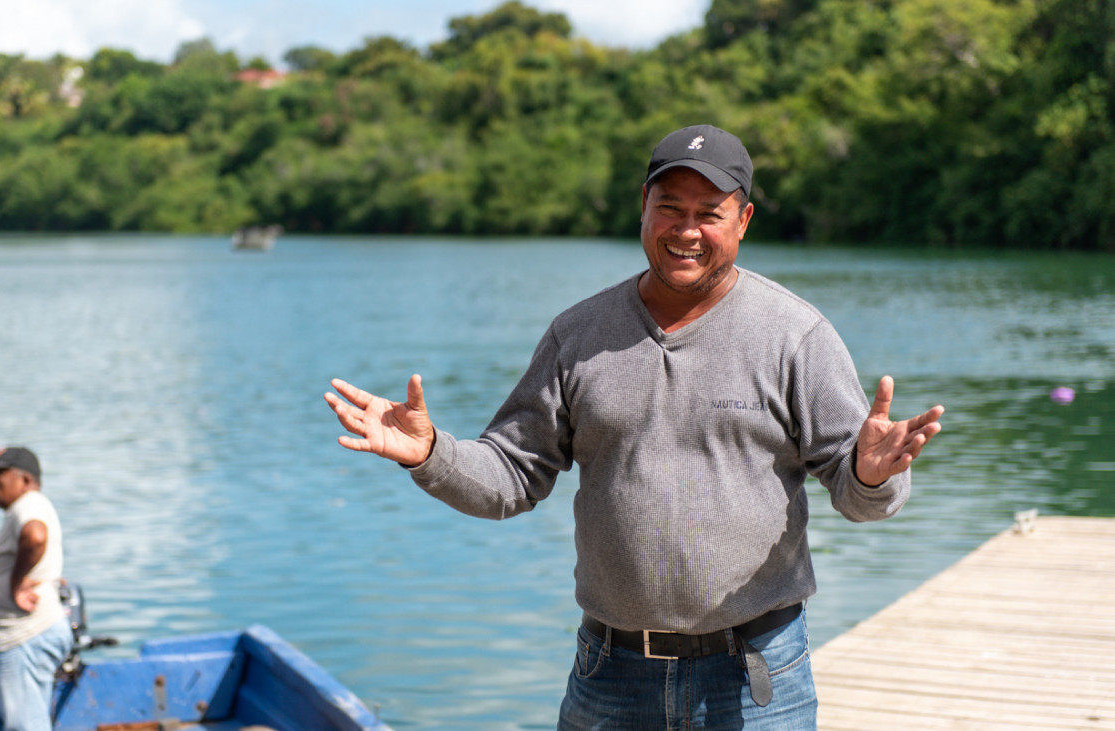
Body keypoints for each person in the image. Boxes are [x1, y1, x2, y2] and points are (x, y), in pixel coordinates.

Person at [325, 124, 946, 729]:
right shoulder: (578, 333)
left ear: (744, 222)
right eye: (669, 207)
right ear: (642, 208)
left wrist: (869, 474)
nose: (687, 230)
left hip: (758, 678)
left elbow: (861, 499)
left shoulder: (796, 335)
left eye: (709, 212)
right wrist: (431, 453)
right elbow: (513, 475)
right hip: (610, 674)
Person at [0, 446, 72, 731]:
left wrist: (15, 584)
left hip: (24, 638)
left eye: (0, 474)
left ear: (26, 480)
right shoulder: (24, 508)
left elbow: (36, 537)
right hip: (6, 642)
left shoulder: (30, 503)